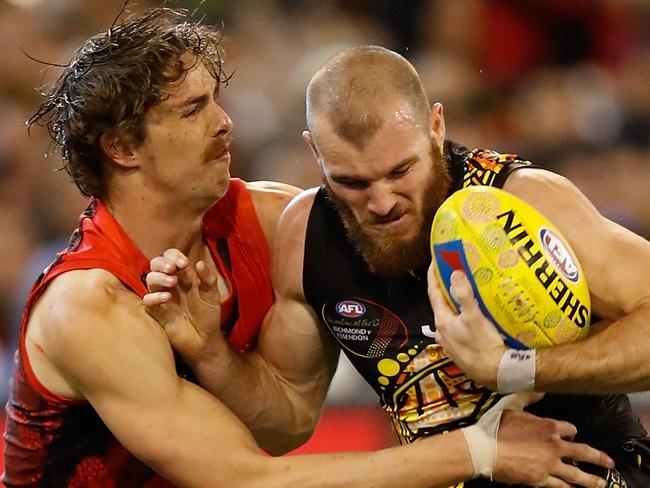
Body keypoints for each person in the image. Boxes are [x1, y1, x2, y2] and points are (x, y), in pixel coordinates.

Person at [0, 9, 612, 488]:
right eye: (192, 110)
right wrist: (478, 450)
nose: (225, 122)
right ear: (123, 149)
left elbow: (287, 425)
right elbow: (250, 476)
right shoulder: (89, 306)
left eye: (215, 98)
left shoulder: (276, 222)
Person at [142, 45, 639, 488]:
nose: (381, 202)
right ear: (315, 152)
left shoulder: (522, 202)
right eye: (352, 183)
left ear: (436, 127)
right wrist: (211, 353)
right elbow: (285, 423)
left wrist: (513, 368)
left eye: (401, 171)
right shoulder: (305, 237)